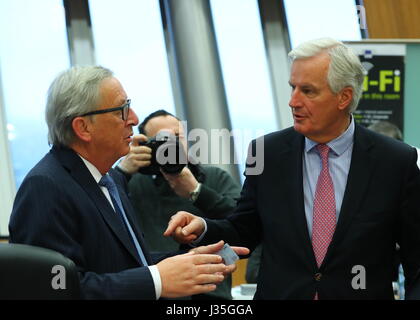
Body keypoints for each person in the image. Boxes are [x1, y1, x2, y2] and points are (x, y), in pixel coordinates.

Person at [164, 38, 420, 300]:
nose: (293, 101)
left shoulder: (395, 161)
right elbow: (245, 229)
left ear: (344, 97)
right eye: (292, 88)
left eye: (307, 91)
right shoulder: (266, 152)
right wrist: (203, 227)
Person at [8, 66, 248, 300]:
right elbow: (53, 288)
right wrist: (156, 280)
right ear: (83, 127)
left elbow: (123, 263)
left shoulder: (107, 179)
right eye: (121, 110)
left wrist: (189, 261)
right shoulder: (45, 186)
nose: (133, 119)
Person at [117, 110, 241, 300]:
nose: (171, 145)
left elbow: (244, 221)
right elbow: (99, 213)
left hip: (211, 294)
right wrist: (122, 172)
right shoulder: (130, 184)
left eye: (177, 136)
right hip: (154, 291)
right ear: (147, 146)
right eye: (162, 140)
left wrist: (198, 191)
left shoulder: (213, 177)